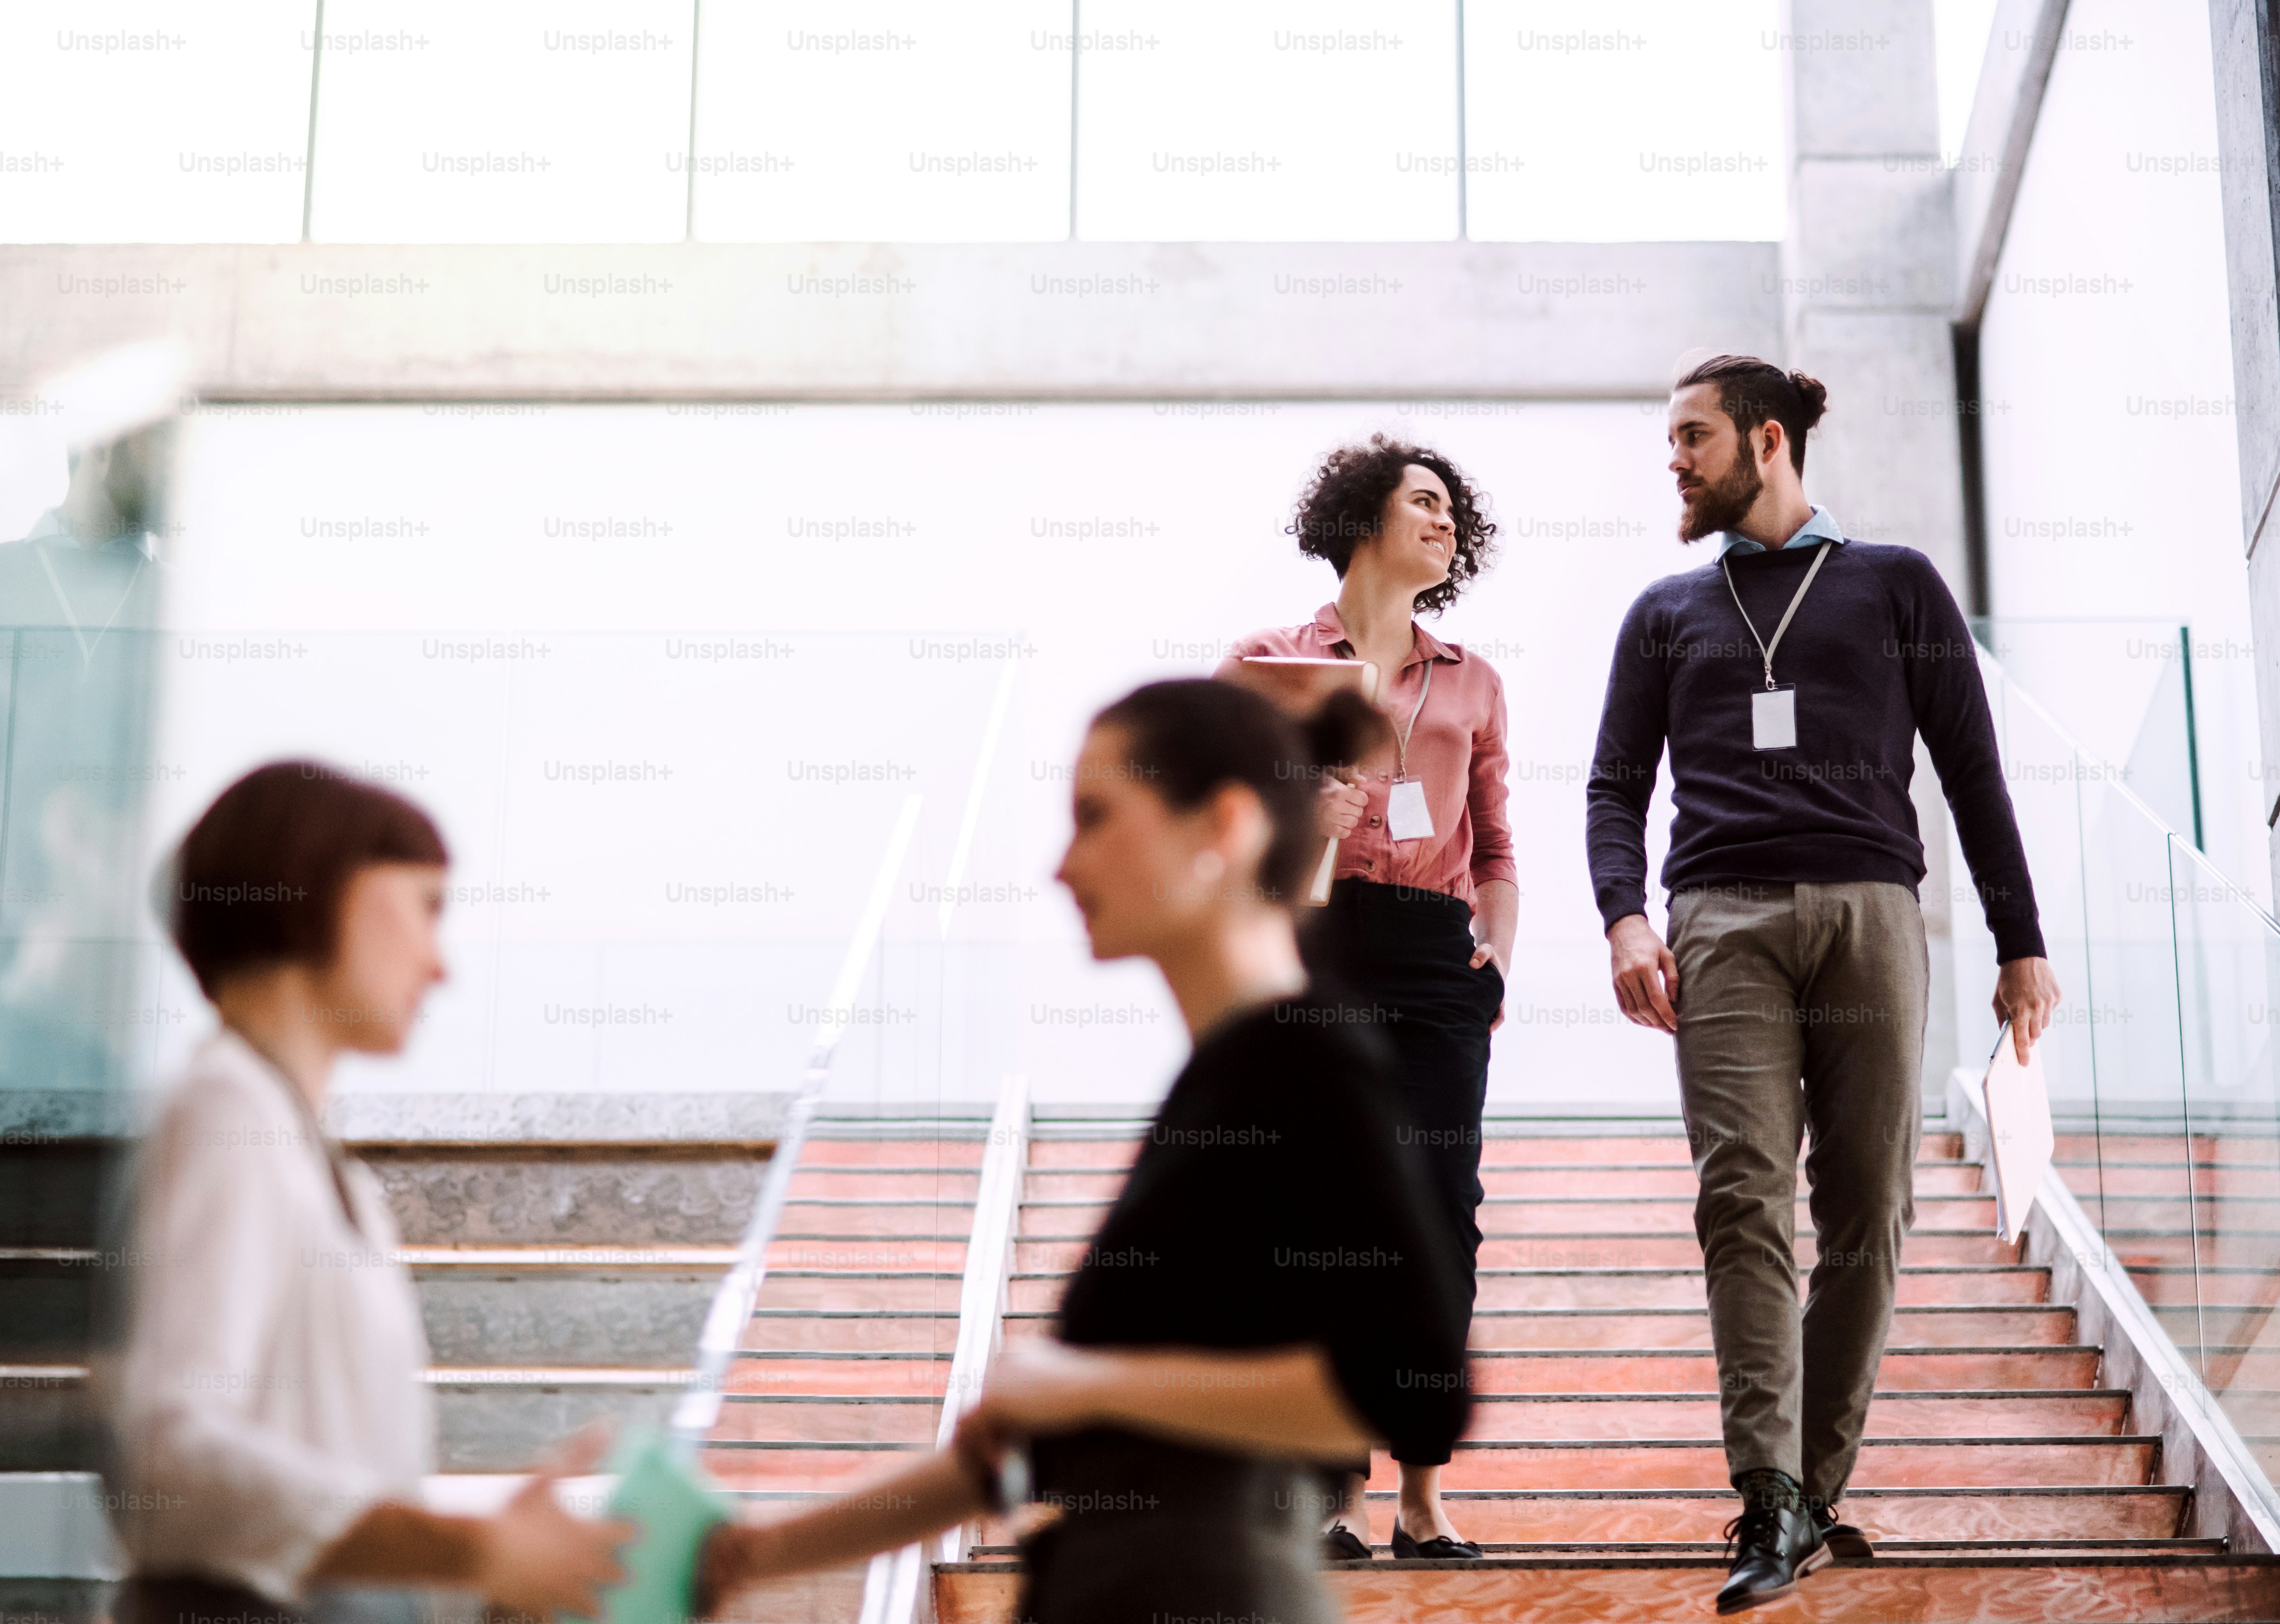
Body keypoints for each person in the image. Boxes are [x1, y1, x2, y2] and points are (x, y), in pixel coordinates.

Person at [697, 680, 1473, 1624]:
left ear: (1220, 824)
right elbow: (1006, 1454)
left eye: (1095, 815)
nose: (1061, 866)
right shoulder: (1224, 1084)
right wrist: (742, 1558)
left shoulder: (1301, 1054)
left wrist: (1080, 1380)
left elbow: (1414, 1384)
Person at [1585, 355, 2062, 1614]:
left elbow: (1971, 771)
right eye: (1670, 441)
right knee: (1740, 1199)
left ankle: (1813, 1482)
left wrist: (2020, 943)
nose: (1673, 463)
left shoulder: (1895, 583)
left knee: (1867, 1206)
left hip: (1870, 911)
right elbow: (1611, 788)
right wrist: (1625, 921)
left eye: (1691, 438)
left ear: (1769, 439)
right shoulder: (1663, 613)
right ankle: (1768, 1495)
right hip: (1719, 921)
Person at [104, 762, 632, 1624]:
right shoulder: (225, 1113)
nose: (440, 967)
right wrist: (474, 1551)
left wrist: (490, 1569)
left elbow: (327, 1507)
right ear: (322, 886)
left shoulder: (321, 1168)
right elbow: (170, 1463)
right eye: (426, 907)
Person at [1219, 434, 1514, 1560]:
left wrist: (1497, 940)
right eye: (1423, 502)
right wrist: (1306, 815)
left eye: (1451, 509)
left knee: (1441, 1209)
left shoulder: (1474, 677)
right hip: (1312, 943)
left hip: (1436, 954)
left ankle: (1421, 1494)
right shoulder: (1268, 659)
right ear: (1361, 520)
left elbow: (1496, 841)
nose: (1444, 522)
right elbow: (1216, 815)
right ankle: (1330, 1487)